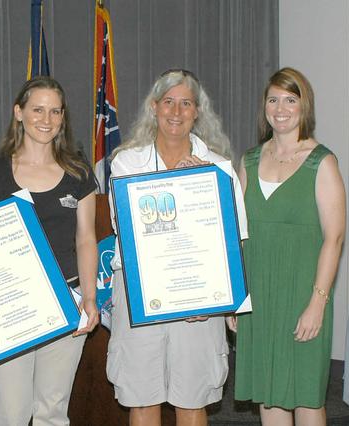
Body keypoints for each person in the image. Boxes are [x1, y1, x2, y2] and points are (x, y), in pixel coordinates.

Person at [106, 69, 248, 426]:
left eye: (186, 103)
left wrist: (203, 180)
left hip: (198, 296)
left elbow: (235, 239)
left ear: (197, 112)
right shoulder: (126, 162)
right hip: (141, 294)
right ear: (154, 107)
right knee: (142, 397)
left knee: (192, 398)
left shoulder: (218, 168)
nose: (176, 111)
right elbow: (125, 227)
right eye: (168, 102)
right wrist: (179, 184)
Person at [0, 76, 100, 425]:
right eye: (38, 110)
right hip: (10, 306)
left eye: (55, 111)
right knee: (11, 414)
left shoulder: (78, 173)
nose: (46, 119)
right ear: (19, 113)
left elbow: (86, 238)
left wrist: (89, 298)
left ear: (63, 118)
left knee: (52, 412)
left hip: (66, 300)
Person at [230, 67, 346, 425]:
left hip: (302, 294)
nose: (280, 108)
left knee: (307, 396)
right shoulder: (248, 160)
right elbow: (238, 235)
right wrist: (235, 298)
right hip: (259, 297)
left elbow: (334, 238)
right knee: (270, 394)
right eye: (273, 99)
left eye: (290, 100)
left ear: (303, 107)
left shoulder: (321, 162)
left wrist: (317, 303)